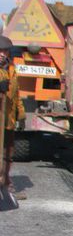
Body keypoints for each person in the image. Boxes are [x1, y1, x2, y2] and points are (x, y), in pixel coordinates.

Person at [0, 35, 26, 200]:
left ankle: (5, 184)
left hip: (7, 119)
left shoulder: (12, 69)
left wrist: (21, 115)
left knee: (8, 154)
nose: (3, 54)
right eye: (0, 51)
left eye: (5, 51)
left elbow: (16, 95)